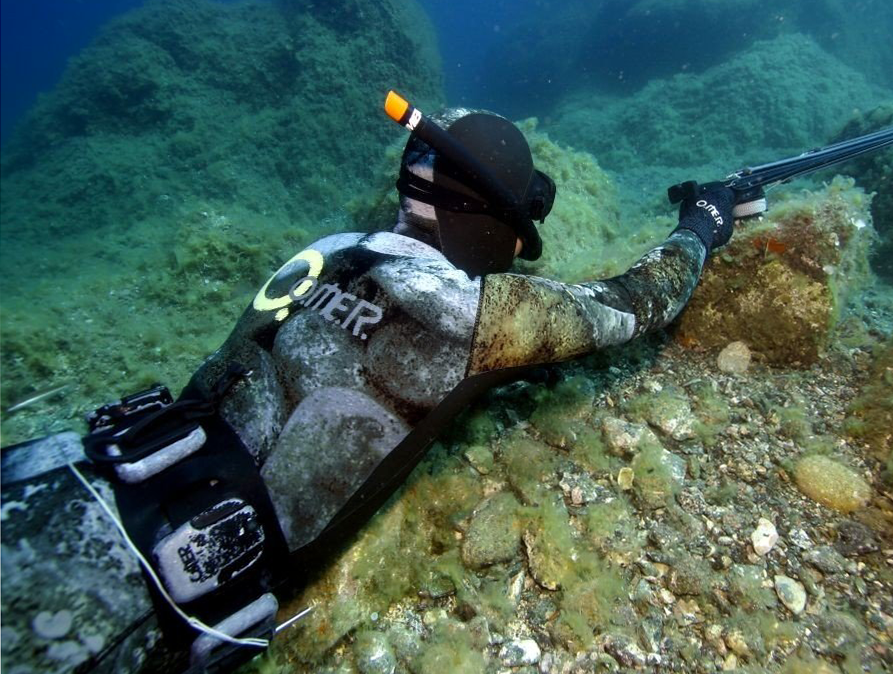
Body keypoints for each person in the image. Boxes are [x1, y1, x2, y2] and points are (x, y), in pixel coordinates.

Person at [0, 99, 735, 674]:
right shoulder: (478, 314)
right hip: (139, 599)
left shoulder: (326, 250)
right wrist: (701, 225)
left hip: (73, 468)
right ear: (488, 222)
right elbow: (636, 302)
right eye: (517, 229)